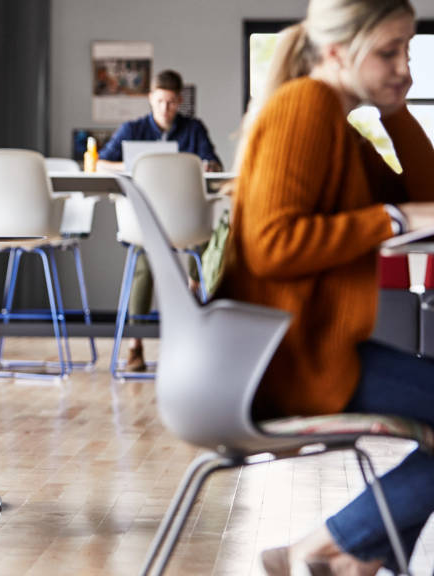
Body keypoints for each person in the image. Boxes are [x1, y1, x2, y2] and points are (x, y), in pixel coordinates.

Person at [219, 1, 434, 573]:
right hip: (289, 360)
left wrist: (398, 111)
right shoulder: (306, 107)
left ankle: (354, 556)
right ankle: (326, 546)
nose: (404, 66)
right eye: (389, 52)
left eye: (407, 51)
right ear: (337, 51)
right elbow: (272, 242)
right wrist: (392, 220)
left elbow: (425, 194)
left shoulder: (339, 124)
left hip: (315, 350)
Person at [100, 70, 224, 371]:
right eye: (159, 102)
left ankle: (193, 294)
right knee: (144, 260)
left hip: (185, 220)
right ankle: (135, 346)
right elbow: (102, 163)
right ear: (150, 99)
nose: (165, 109)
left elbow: (215, 164)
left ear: (179, 100)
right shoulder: (133, 128)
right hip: (146, 220)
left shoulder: (193, 129)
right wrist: (133, 165)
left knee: (210, 239)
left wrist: (208, 165)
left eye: (170, 102)